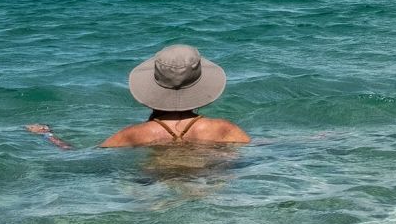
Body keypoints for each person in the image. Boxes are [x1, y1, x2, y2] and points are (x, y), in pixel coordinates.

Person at [25, 44, 251, 150]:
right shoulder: (224, 129)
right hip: (207, 188)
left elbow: (78, 157)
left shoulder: (134, 134)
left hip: (153, 191)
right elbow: (261, 150)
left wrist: (47, 135)